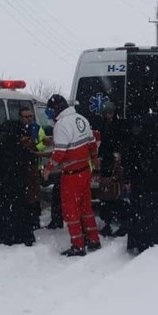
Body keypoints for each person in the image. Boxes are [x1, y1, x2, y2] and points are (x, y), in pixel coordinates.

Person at [42, 94, 101, 257]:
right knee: (86, 208)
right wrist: (94, 158)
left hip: (71, 175)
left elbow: (59, 152)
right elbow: (91, 142)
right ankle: (93, 239)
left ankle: (78, 245)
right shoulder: (80, 118)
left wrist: (48, 168)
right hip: (85, 172)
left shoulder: (61, 125)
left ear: (56, 109)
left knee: (71, 211)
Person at [121, 113, 158, 254]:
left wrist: (131, 177)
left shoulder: (135, 140)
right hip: (156, 186)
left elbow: (127, 162)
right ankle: (151, 243)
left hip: (139, 185)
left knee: (137, 213)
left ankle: (135, 241)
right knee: (154, 216)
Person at [0, 120, 35, 247]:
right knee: (20, 211)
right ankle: (21, 236)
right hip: (18, 190)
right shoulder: (22, 150)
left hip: (0, 190)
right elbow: (28, 167)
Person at [96, 101, 125, 237]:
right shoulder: (103, 125)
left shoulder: (118, 125)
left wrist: (118, 153)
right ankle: (108, 222)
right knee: (106, 193)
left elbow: (120, 142)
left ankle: (118, 222)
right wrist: (100, 156)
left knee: (116, 193)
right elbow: (104, 144)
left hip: (115, 163)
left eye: (111, 112)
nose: (109, 115)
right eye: (106, 113)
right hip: (106, 162)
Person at [19, 106, 46, 231]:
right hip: (21, 167)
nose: (29, 119)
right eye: (26, 116)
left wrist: (35, 147)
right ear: (21, 118)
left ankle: (35, 220)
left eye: (30, 116)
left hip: (34, 165)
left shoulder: (37, 129)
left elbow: (43, 143)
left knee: (35, 195)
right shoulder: (17, 129)